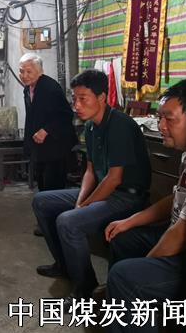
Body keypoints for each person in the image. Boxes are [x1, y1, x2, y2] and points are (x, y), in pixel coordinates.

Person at [105, 79, 186, 333]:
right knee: (122, 236)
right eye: (159, 118)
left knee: (126, 276)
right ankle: (127, 312)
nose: (161, 126)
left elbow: (181, 234)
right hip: (177, 235)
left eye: (170, 119)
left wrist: (143, 266)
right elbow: (176, 199)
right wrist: (130, 221)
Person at [32, 69, 151, 304]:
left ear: (102, 97)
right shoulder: (90, 126)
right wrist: (80, 202)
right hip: (106, 192)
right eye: (74, 99)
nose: (76, 105)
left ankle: (85, 290)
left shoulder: (119, 125)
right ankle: (64, 266)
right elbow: (90, 171)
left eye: (83, 98)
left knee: (68, 222)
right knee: (41, 201)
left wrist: (85, 204)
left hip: (126, 197)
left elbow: (114, 179)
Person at [19, 53, 77, 193]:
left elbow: (66, 115)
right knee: (42, 185)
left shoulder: (50, 88)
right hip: (40, 147)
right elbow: (31, 118)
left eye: (29, 71)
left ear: (40, 72)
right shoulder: (28, 89)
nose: (24, 75)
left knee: (54, 187)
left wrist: (46, 130)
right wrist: (28, 145)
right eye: (21, 71)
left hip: (56, 146)